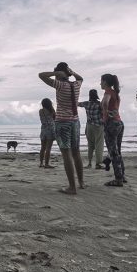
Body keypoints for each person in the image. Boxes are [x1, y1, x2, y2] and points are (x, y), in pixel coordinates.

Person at [39, 62, 84, 194]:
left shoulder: (59, 85)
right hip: (75, 122)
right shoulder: (75, 85)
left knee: (66, 154)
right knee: (76, 153)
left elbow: (41, 75)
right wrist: (72, 72)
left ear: (59, 73)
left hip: (63, 122)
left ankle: (72, 187)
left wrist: (54, 74)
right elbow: (81, 78)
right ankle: (81, 182)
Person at [100, 74, 125, 186]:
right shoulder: (115, 93)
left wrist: (106, 113)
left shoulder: (108, 92)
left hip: (111, 124)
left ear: (105, 82)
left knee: (113, 153)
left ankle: (118, 179)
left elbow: (105, 103)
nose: (100, 83)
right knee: (117, 151)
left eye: (101, 81)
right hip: (119, 123)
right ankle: (122, 175)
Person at [78, 89, 104, 169]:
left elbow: (77, 104)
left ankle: (89, 163)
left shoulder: (86, 103)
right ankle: (98, 163)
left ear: (89, 95)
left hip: (89, 126)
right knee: (99, 145)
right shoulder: (100, 104)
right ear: (96, 95)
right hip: (98, 126)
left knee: (90, 145)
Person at [39, 98, 56, 169]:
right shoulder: (51, 111)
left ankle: (41, 163)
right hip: (50, 130)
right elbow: (55, 119)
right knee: (48, 148)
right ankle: (46, 164)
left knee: (43, 148)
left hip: (43, 129)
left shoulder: (40, 111)